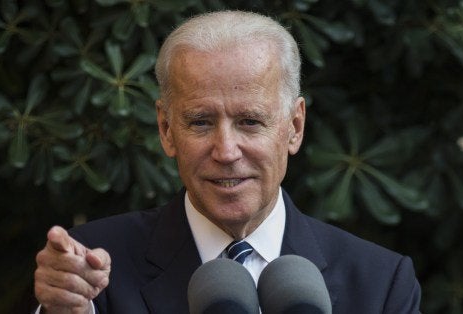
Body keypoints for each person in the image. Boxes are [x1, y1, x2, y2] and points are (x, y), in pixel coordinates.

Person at [33, 10, 421, 313]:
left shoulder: (379, 282)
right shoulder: (94, 271)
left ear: (294, 127)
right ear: (167, 129)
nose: (226, 151)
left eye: (250, 122)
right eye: (200, 122)